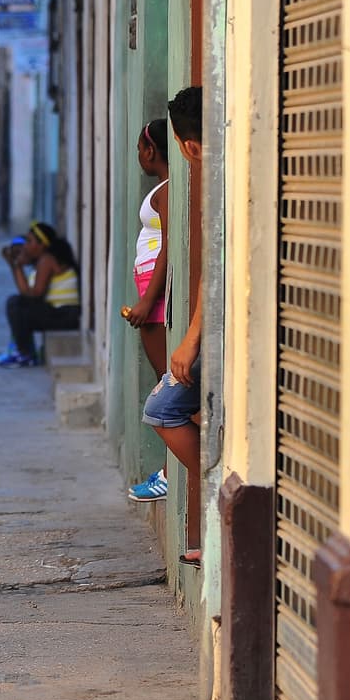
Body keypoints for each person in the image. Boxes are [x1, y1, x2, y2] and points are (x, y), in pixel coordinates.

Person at [139, 87, 205, 568]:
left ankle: (209, 487)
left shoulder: (207, 182)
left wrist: (189, 337)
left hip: (197, 327)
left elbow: (217, 270)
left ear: (187, 146)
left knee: (165, 404)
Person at [126, 119, 173, 504]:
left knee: (166, 385)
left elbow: (169, 247)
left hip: (154, 300)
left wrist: (146, 301)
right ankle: (169, 471)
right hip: (150, 296)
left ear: (150, 150)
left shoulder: (167, 191)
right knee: (165, 384)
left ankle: (170, 473)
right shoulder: (164, 189)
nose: (139, 156)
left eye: (140, 149)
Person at [0, 222, 81, 368]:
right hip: (62, 314)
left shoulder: (46, 260)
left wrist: (16, 266)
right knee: (17, 303)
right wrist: (16, 265)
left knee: (15, 304)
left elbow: (35, 295)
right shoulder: (45, 260)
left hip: (65, 315)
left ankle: (25, 353)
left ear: (42, 245)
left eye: (29, 241)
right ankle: (23, 352)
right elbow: (25, 293)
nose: (25, 246)